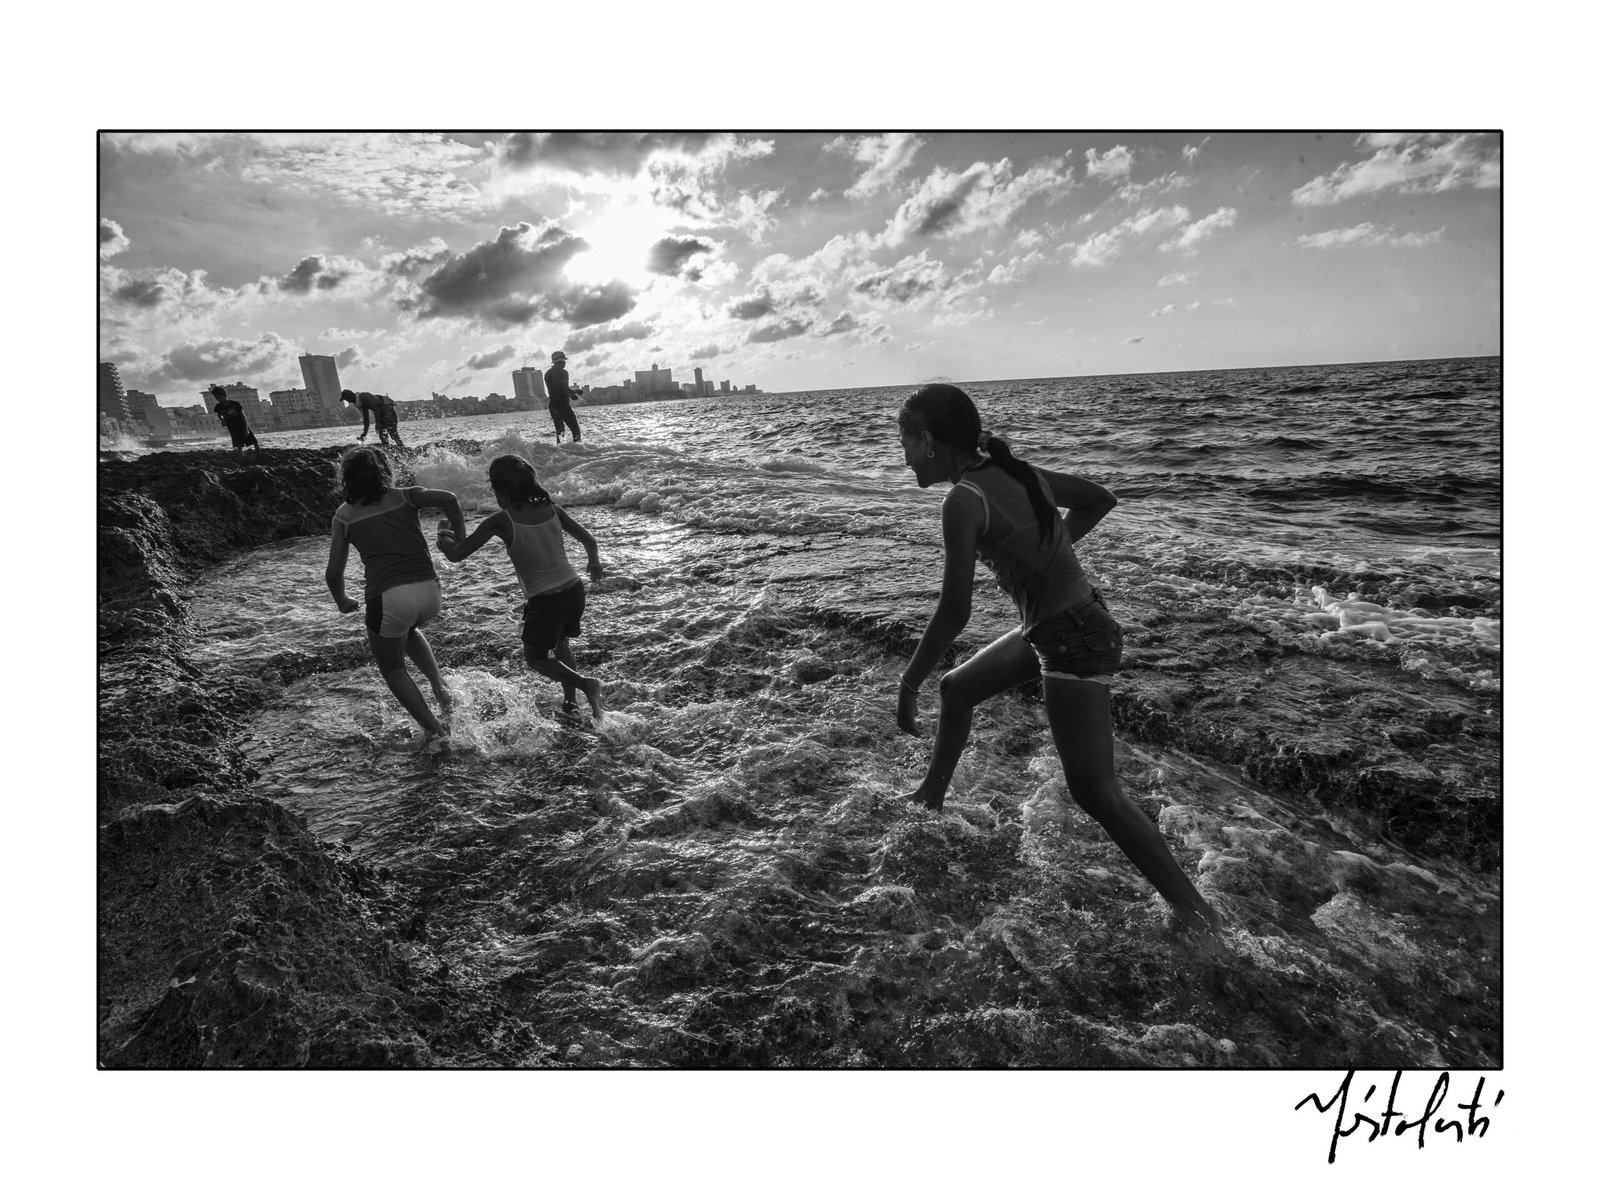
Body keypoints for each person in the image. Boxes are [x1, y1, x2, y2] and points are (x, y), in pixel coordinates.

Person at [892, 382, 1224, 943]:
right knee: (958, 690)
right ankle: (930, 798)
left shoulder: (964, 500)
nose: (901, 457)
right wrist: (1047, 551)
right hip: (1060, 626)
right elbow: (1101, 498)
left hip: (1072, 638)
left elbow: (954, 611)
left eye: (903, 442)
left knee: (1094, 792)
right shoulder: (1021, 473)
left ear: (927, 441)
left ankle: (1197, 912)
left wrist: (907, 682)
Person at [436, 454, 605, 719]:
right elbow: (590, 541)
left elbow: (457, 554)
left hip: (546, 600)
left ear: (500, 490)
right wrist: (594, 564)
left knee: (536, 658)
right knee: (561, 644)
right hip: (574, 589)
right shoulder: (553, 509)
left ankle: (586, 685)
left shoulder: (502, 520)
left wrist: (443, 534)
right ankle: (570, 702)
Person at [325, 446, 465, 742]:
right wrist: (460, 537)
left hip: (387, 598)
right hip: (429, 593)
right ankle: (442, 693)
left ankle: (437, 733)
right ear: (384, 471)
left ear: (346, 479)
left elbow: (334, 573)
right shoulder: (407, 496)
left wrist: (342, 600)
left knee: (392, 668)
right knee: (408, 630)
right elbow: (449, 499)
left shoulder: (345, 515)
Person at [543, 351, 582, 443]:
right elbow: (564, 389)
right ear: (561, 361)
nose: (565, 363)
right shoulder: (563, 372)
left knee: (560, 431)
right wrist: (574, 394)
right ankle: (579, 449)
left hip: (552, 405)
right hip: (562, 405)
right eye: (564, 361)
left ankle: (560, 449)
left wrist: (573, 392)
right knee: (575, 429)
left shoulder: (547, 373)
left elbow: (557, 388)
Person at [209, 384, 259, 450]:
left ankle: (259, 454)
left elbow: (243, 417)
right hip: (232, 427)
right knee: (238, 444)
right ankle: (241, 457)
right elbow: (219, 415)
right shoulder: (218, 407)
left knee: (253, 441)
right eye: (216, 398)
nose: (218, 399)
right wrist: (222, 420)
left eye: (219, 397)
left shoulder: (235, 404)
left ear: (225, 395)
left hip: (242, 425)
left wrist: (246, 429)